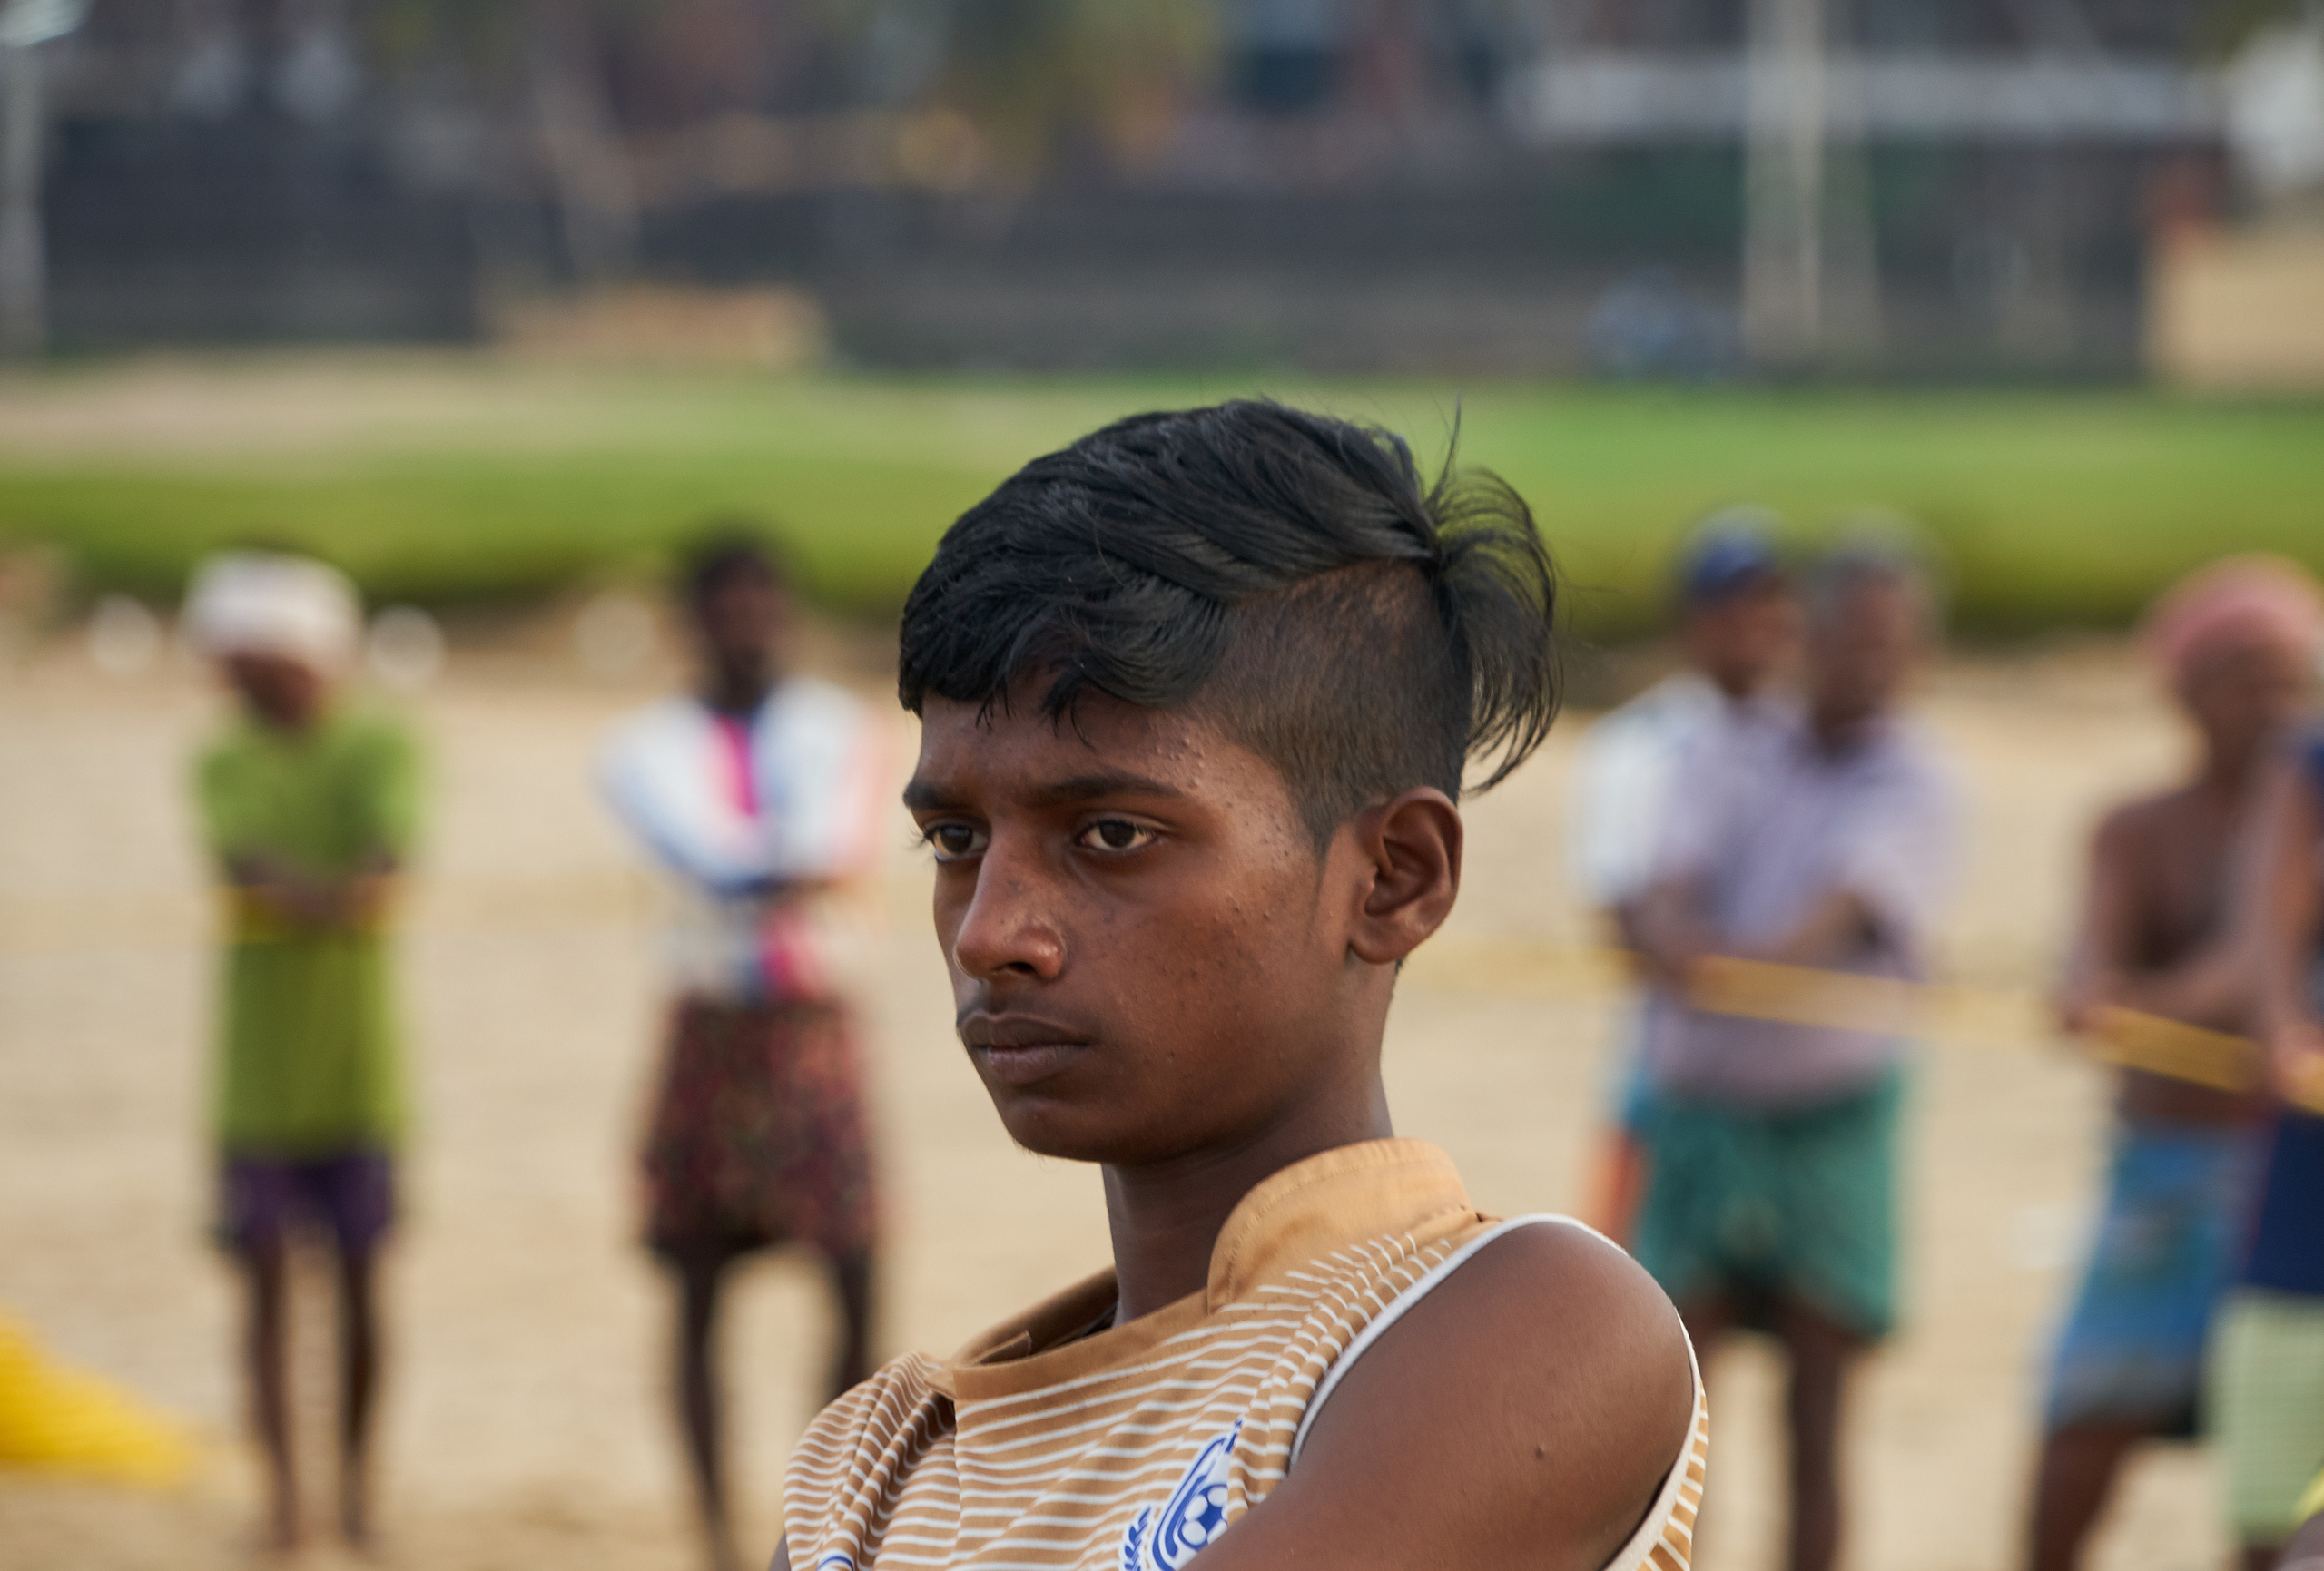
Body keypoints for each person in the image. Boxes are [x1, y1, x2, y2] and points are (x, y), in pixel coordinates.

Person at [776, 402, 1708, 1571]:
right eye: (956, 838)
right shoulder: (881, 1461)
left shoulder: (1521, 1322)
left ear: (1391, 878)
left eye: (1111, 834)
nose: (991, 933)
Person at [1628, 542, 1958, 1571]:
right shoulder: (1719, 750)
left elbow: (1842, 910)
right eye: (1851, 638)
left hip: (1832, 1113)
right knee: (1674, 1403)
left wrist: (1717, 961)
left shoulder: (1920, 781)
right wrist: (1675, 940)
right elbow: (1666, 882)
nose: (1870, 663)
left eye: (1890, 644)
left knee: (1818, 1410)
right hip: (1702, 1106)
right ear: (1802, 640)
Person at [2024, 557, 2323, 1571]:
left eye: (2287, 677)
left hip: (2275, 1180)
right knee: (2079, 1441)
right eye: (2243, 675)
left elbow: (2251, 968)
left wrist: (2132, 1005)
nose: (2271, 702)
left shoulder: (2301, 819)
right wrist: (2094, 994)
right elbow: (2091, 962)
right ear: (2184, 690)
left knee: (2275, 1502)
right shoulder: (2138, 830)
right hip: (2160, 1171)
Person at [597, 536, 886, 1571]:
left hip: (807, 1018)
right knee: (696, 1285)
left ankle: (816, 1519)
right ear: (694, 619)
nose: (749, 624)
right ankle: (717, 1538)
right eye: (729, 605)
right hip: (716, 1023)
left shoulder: (828, 727)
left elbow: (806, 851)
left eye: (763, 602)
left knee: (852, 1273)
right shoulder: (644, 746)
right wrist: (781, 870)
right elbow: (726, 856)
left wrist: (763, 869)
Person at [183, 551, 422, 1555]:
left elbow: (384, 857)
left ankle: (354, 1490)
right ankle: (288, 1495)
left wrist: (327, 892)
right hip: (256, 1073)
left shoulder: (378, 743)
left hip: (357, 1062)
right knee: (269, 1282)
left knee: (363, 1280)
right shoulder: (221, 756)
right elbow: (264, 863)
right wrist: (339, 892)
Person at [1568, 509, 1798, 1242]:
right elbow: (1619, 902)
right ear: (1694, 620)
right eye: (1735, 606)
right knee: (1647, 1277)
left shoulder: (1808, 742)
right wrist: (1701, 959)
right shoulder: (1637, 747)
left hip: (1794, 1062)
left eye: (1768, 603)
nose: (1755, 624)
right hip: (1669, 1058)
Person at [2214, 599, 2324, 1571]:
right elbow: (2265, 959)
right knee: (2270, 1531)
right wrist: (2285, 1035)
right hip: (2301, 1223)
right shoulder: (2311, 764)